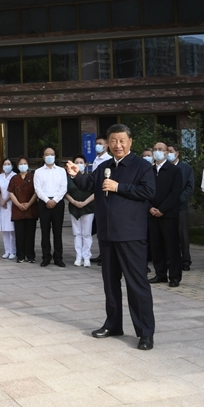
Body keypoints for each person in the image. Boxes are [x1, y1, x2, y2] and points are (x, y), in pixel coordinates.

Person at [67, 124, 156, 351]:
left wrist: (119, 187)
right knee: (110, 283)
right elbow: (89, 185)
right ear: (108, 143)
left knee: (136, 284)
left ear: (130, 142)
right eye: (113, 141)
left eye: (122, 141)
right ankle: (113, 324)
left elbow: (148, 192)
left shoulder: (142, 166)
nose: (118, 145)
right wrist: (77, 175)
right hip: (107, 234)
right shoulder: (104, 167)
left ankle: (145, 333)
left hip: (131, 234)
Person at [148, 142, 184, 288]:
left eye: (160, 149)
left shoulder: (174, 170)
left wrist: (162, 209)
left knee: (172, 246)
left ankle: (174, 276)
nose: (157, 152)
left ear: (166, 152)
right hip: (151, 213)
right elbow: (144, 191)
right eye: (155, 149)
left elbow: (175, 193)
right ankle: (160, 273)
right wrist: (150, 208)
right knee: (156, 245)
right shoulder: (148, 170)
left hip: (168, 214)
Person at [35, 147, 67, 267]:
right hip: (44, 203)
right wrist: (47, 200)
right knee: (45, 232)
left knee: (57, 232)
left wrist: (55, 200)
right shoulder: (38, 172)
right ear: (43, 157)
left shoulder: (61, 171)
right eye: (47, 154)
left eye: (52, 154)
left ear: (55, 156)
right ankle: (46, 257)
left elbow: (63, 188)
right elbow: (38, 189)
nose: (49, 156)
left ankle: (58, 257)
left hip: (58, 203)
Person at [167, 145, 194, 271]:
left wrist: (177, 200)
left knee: (182, 234)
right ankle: (170, 260)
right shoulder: (164, 167)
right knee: (168, 235)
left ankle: (185, 260)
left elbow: (189, 187)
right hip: (165, 207)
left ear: (177, 153)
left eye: (171, 151)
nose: (168, 154)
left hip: (180, 206)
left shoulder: (186, 168)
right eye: (167, 151)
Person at [65, 155, 94, 267]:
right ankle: (78, 256)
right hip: (74, 207)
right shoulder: (69, 178)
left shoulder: (89, 177)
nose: (79, 164)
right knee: (77, 233)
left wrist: (85, 202)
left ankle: (86, 257)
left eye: (81, 162)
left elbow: (95, 192)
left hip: (88, 208)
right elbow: (65, 192)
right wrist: (74, 202)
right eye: (76, 162)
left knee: (86, 233)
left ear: (85, 164)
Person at [8, 157, 37, 264]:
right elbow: (11, 193)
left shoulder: (33, 177)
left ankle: (30, 255)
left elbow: (36, 191)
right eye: (21, 164)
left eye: (25, 163)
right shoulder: (14, 178)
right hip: (18, 209)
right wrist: (19, 204)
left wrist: (28, 204)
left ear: (28, 165)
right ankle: (20, 255)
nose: (23, 165)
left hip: (31, 209)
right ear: (17, 166)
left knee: (30, 234)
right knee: (19, 234)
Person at [0, 158, 17, 260]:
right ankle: (7, 251)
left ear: (12, 166)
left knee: (12, 230)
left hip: (11, 204)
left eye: (9, 164)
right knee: (5, 230)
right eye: (5, 164)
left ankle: (13, 251)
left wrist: (5, 200)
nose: (7, 166)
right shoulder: (0, 177)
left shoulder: (15, 176)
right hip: (2, 205)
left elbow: (13, 191)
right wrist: (1, 200)